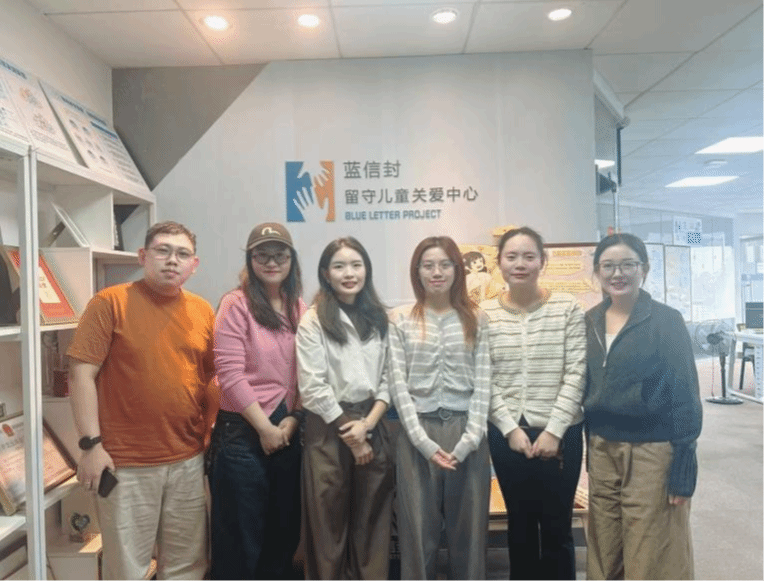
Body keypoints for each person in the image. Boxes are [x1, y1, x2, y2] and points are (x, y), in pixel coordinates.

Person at [67, 221, 215, 581]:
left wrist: (210, 434)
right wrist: (91, 446)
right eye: (163, 250)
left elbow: (211, 379)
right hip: (125, 462)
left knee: (187, 566)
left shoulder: (202, 310)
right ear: (142, 256)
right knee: (127, 569)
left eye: (182, 254)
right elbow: (80, 375)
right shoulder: (110, 303)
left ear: (194, 265)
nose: (172, 260)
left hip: (187, 460)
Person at [584, 233, 702, 581]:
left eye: (627, 265)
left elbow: (685, 393)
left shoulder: (666, 320)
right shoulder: (589, 320)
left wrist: (684, 463)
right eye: (608, 266)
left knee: (651, 545)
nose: (617, 273)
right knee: (605, 543)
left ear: (644, 270)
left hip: (652, 449)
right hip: (602, 447)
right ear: (597, 272)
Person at [483, 226, 586, 581]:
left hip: (563, 434)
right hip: (507, 434)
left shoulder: (566, 307)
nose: (520, 264)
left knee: (558, 528)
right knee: (520, 525)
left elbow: (577, 373)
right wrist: (509, 428)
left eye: (529, 256)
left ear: (543, 260)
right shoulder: (485, 313)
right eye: (511, 257)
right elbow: (484, 378)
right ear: (499, 263)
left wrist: (554, 431)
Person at [388, 236, 491, 581]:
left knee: (470, 535)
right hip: (417, 434)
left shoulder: (477, 318)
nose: (437, 272)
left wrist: (470, 439)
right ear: (416, 271)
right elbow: (397, 385)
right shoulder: (400, 318)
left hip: (467, 432)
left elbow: (484, 382)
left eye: (445, 264)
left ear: (457, 269)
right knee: (417, 535)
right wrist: (423, 443)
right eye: (428, 265)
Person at [207, 222, 306, 581]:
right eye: (262, 255)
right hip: (243, 432)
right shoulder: (236, 304)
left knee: (282, 534)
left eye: (280, 254)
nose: (271, 262)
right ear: (250, 260)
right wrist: (265, 428)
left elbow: (305, 371)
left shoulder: (298, 307)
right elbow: (229, 374)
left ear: (292, 259)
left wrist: (293, 419)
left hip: (286, 428)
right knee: (239, 540)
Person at [297, 237, 394, 581]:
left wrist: (366, 425)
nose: (349, 273)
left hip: (372, 423)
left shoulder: (380, 318)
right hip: (328, 428)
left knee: (372, 522)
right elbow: (312, 386)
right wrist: (353, 437)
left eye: (356, 265)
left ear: (367, 270)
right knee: (328, 525)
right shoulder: (313, 320)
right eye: (339, 266)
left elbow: (390, 378)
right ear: (326, 273)